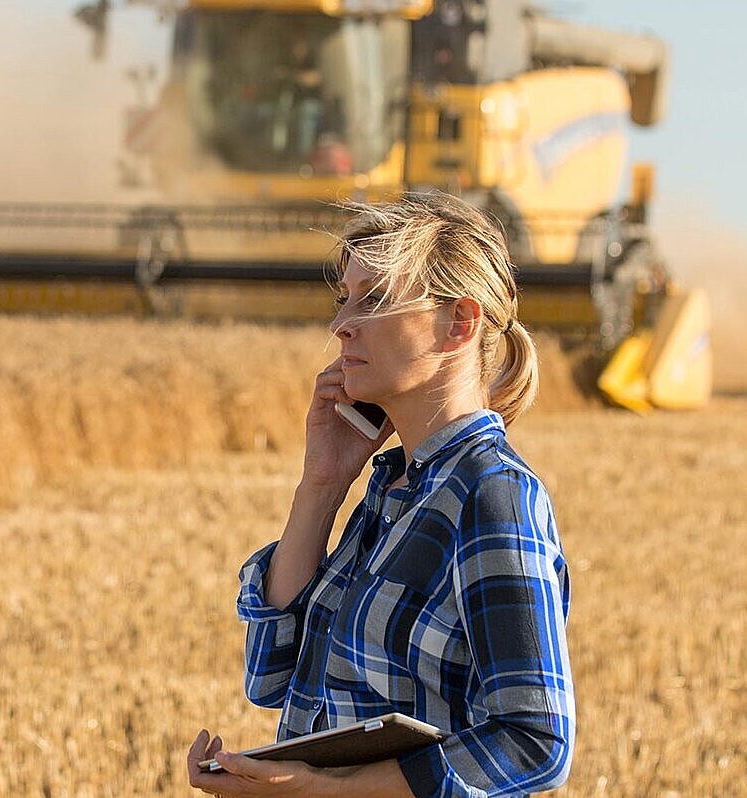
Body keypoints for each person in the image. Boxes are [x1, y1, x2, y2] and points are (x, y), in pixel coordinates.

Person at [186, 192, 574, 797]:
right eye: (344, 301)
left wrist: (323, 792)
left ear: (459, 323)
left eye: (376, 300)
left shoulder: (492, 495)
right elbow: (270, 676)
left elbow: (535, 740)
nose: (341, 326)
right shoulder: (387, 492)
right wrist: (322, 484)